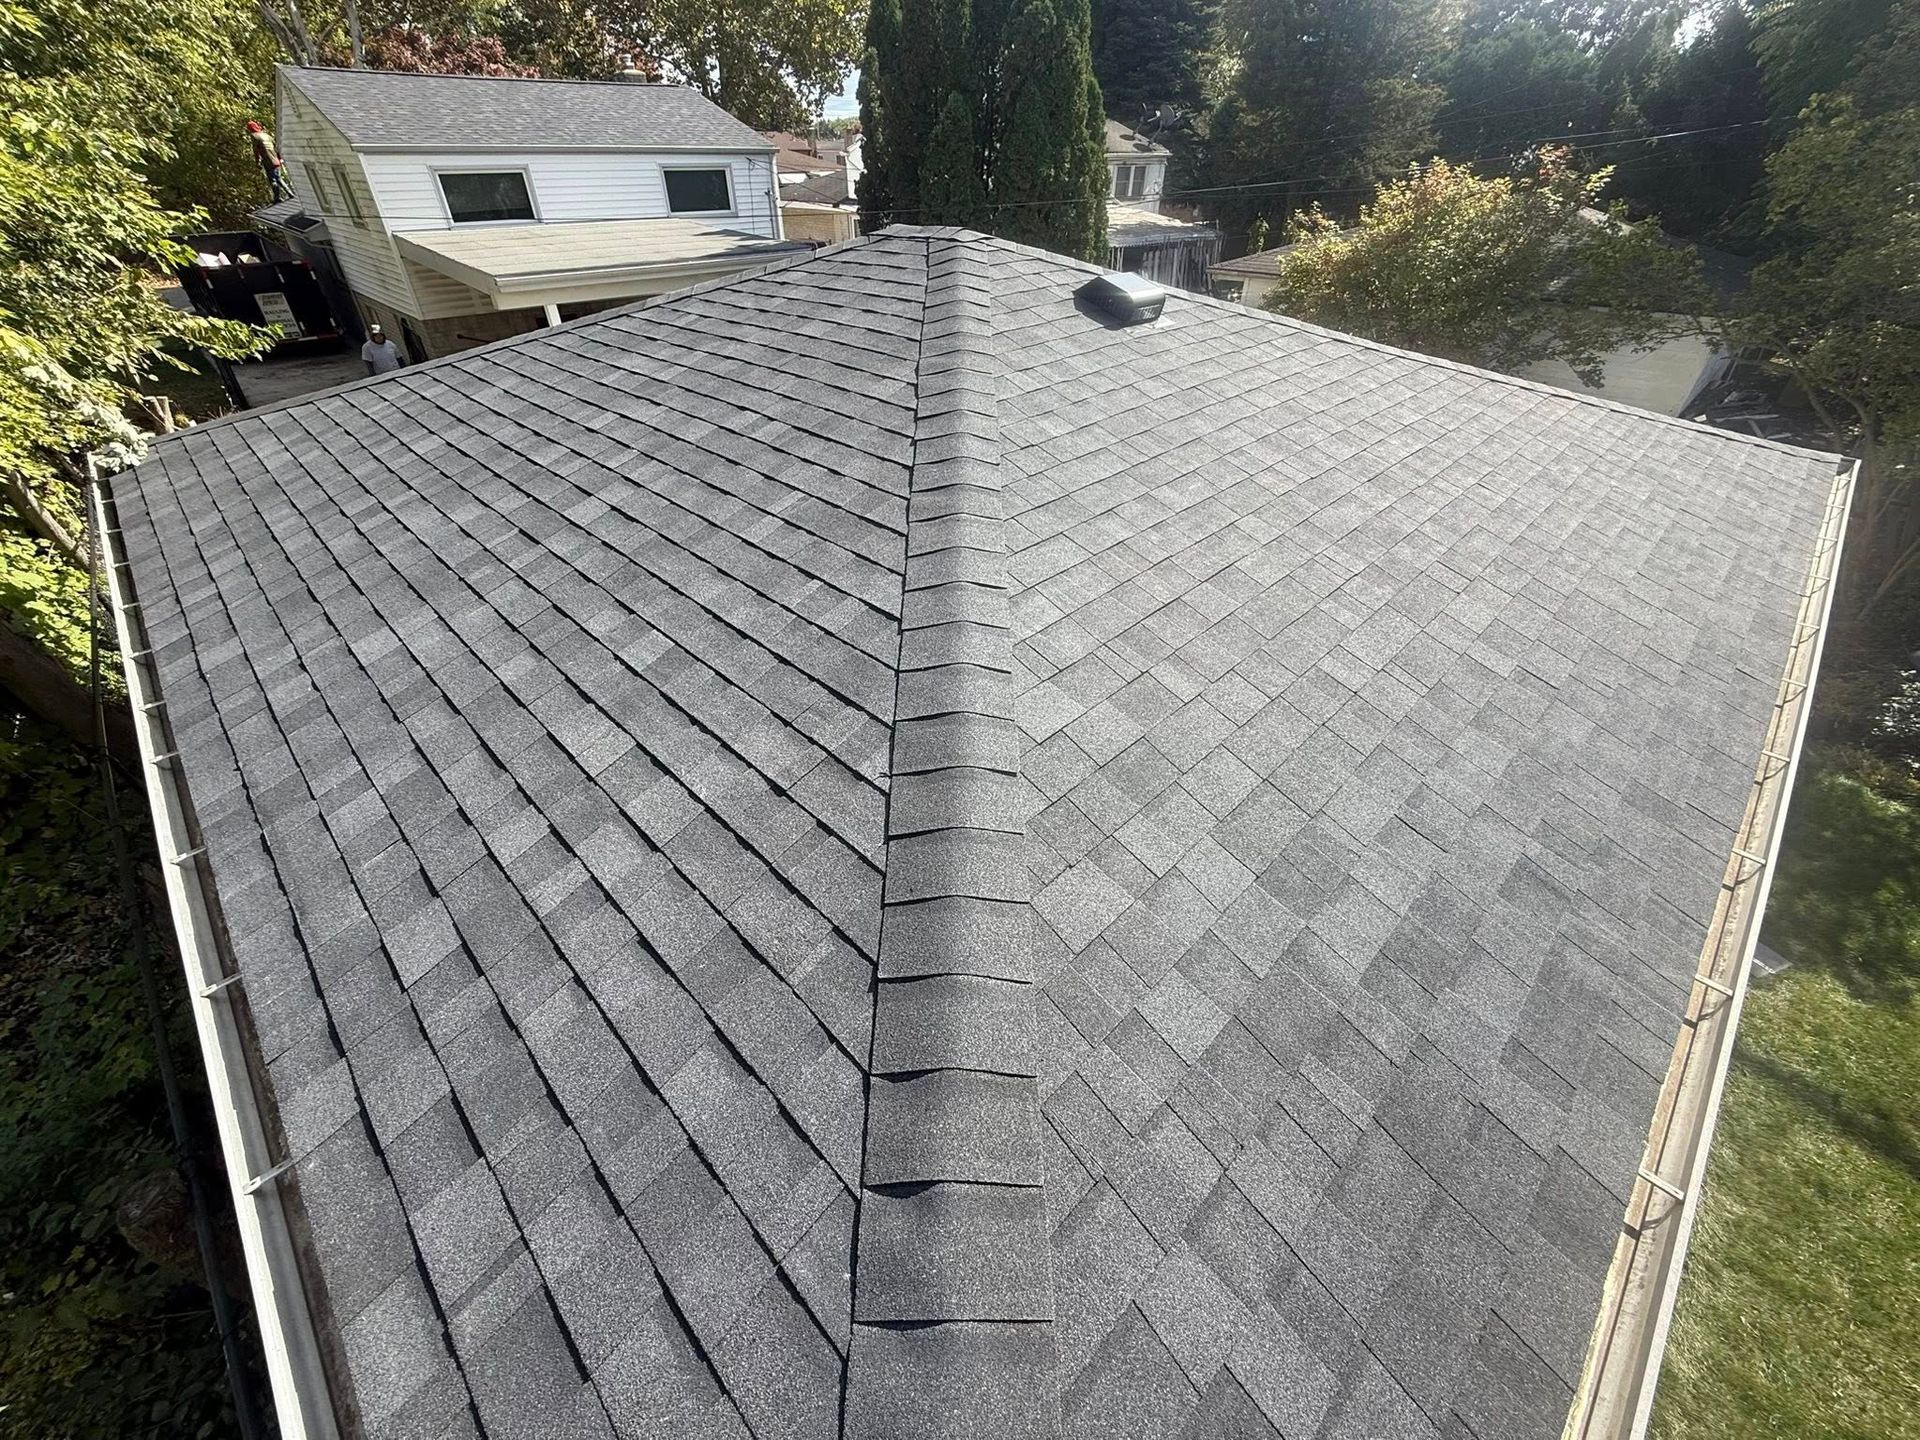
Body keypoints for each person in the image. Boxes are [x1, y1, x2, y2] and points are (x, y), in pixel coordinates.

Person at [246, 120, 291, 201]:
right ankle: (290, 193)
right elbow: (276, 147)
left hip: (268, 161)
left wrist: (257, 162)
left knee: (272, 179)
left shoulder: (254, 136)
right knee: (279, 178)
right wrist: (280, 158)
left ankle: (278, 197)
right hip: (276, 160)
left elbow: (256, 150)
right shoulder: (266, 135)